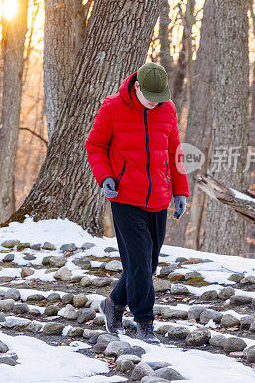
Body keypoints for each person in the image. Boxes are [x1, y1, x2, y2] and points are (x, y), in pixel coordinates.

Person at [86, 62, 189, 344]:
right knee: (141, 266)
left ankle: (113, 303)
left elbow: (174, 152)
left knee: (146, 265)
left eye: (160, 99)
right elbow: (95, 145)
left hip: (158, 198)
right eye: (150, 99)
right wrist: (105, 176)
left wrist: (180, 191)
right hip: (126, 197)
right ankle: (144, 324)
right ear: (137, 87)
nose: (155, 105)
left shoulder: (167, 109)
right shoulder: (112, 108)